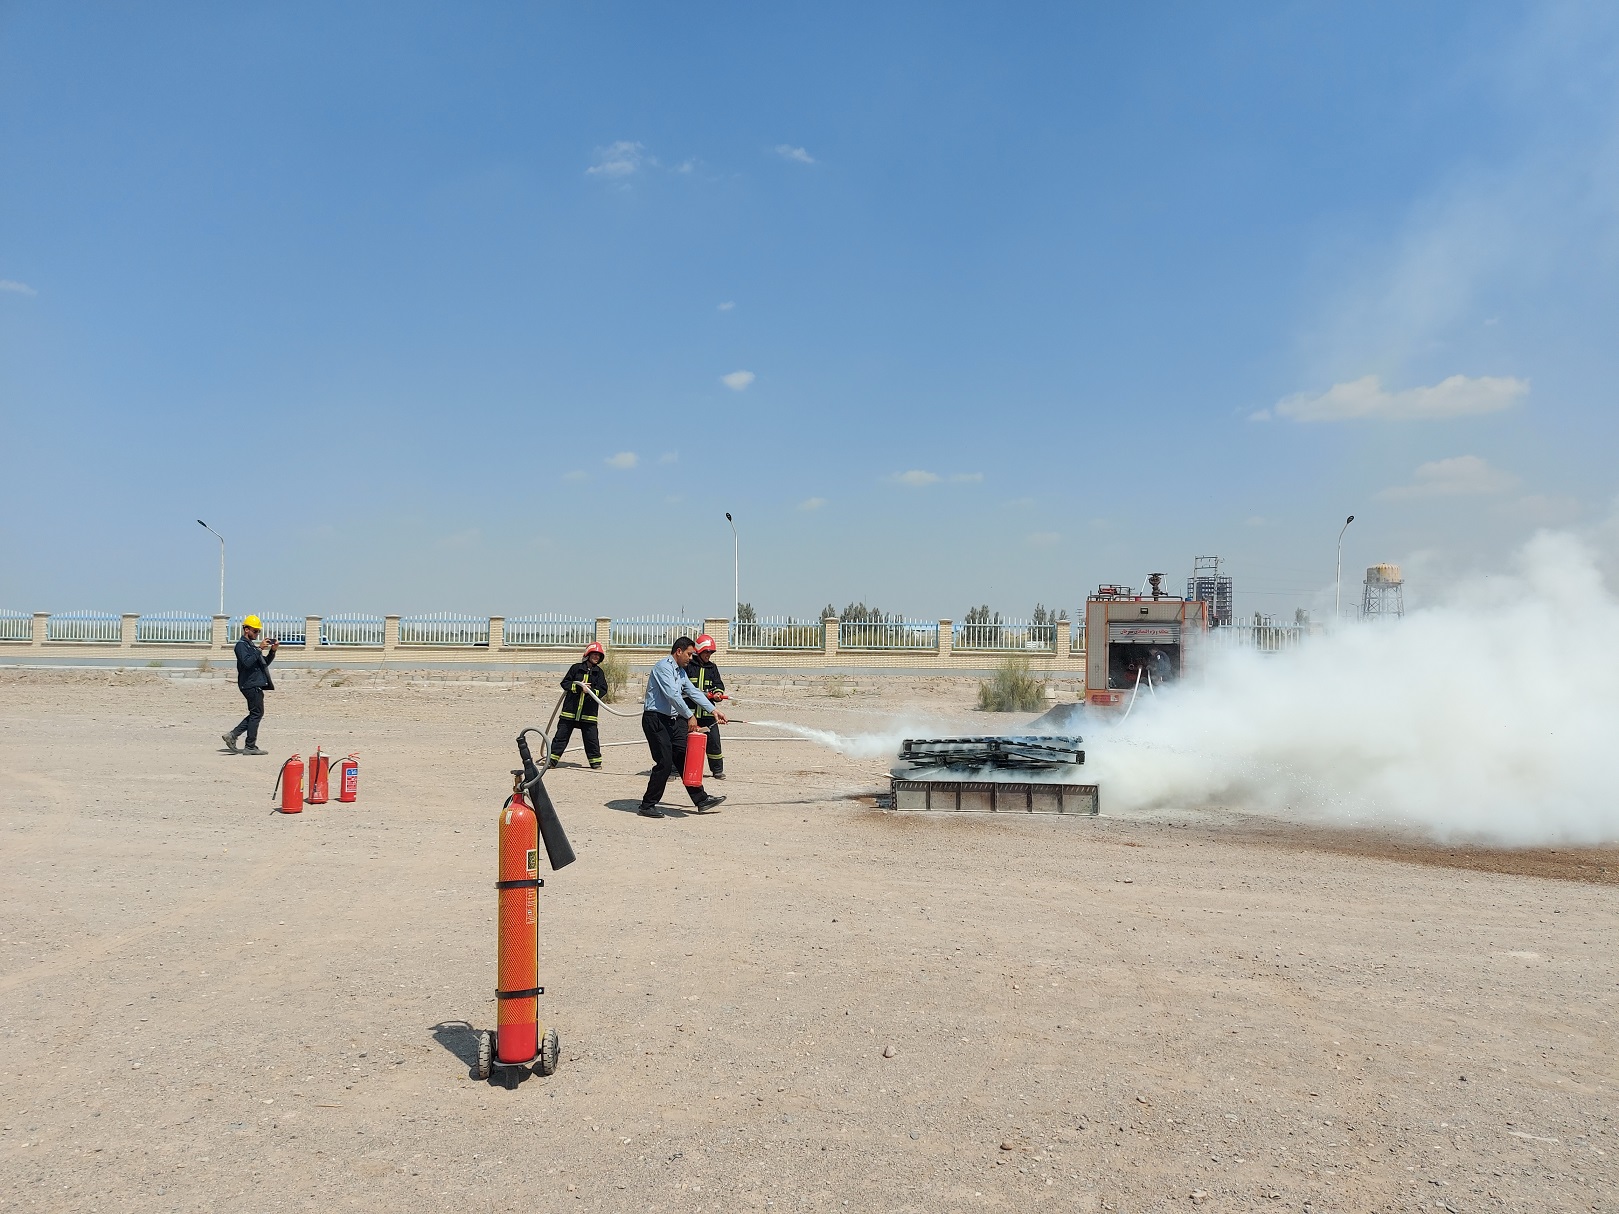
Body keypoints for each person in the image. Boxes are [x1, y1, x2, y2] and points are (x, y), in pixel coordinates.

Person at [637, 636, 727, 818]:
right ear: (679, 651)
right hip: (656, 720)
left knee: (684, 760)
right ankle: (647, 805)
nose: (691, 658)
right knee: (664, 762)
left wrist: (713, 710)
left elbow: (692, 692)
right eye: (689, 654)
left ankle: (701, 800)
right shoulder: (663, 667)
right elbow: (672, 695)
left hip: (672, 720)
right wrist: (690, 715)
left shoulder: (681, 671)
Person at [222, 615, 277, 755]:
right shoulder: (241, 646)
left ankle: (234, 736)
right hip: (249, 684)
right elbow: (247, 663)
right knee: (256, 713)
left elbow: (262, 663)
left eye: (258, 631)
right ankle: (248, 745)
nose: (257, 634)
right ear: (246, 629)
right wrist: (259, 649)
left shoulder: (250, 645)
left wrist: (272, 651)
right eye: (255, 631)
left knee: (256, 713)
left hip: (255, 683)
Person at [550, 642, 609, 770]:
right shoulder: (576, 668)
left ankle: (595, 762)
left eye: (598, 655)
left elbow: (603, 690)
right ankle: (551, 761)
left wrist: (591, 691)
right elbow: (565, 683)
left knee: (591, 739)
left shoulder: (599, 673)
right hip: (569, 712)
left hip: (589, 714)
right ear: (588, 654)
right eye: (594, 654)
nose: (596, 657)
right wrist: (577, 686)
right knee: (561, 737)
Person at [682, 634, 727, 780]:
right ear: (699, 651)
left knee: (713, 741)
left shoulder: (712, 668)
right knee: (681, 741)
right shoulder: (689, 666)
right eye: (706, 652)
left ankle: (717, 770)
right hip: (690, 714)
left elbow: (718, 685)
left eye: (711, 653)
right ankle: (675, 769)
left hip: (708, 715)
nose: (709, 655)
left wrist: (717, 693)